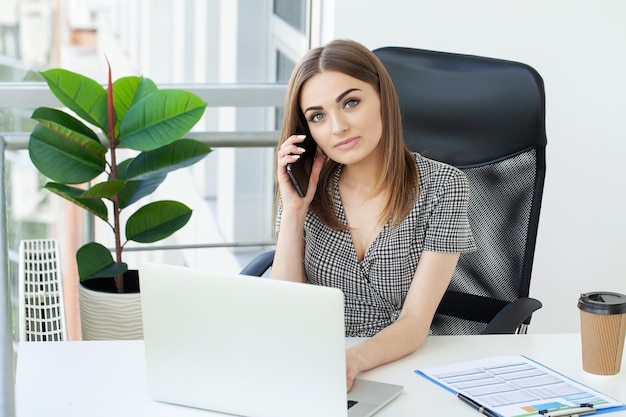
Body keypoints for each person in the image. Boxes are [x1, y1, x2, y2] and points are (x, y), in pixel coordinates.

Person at [270, 39, 476, 391]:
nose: (337, 127)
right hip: (318, 365)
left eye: (350, 103)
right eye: (318, 116)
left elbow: (414, 322)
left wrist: (352, 362)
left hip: (402, 362)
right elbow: (285, 312)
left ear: (383, 98)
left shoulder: (444, 186)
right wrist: (293, 212)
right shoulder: (305, 188)